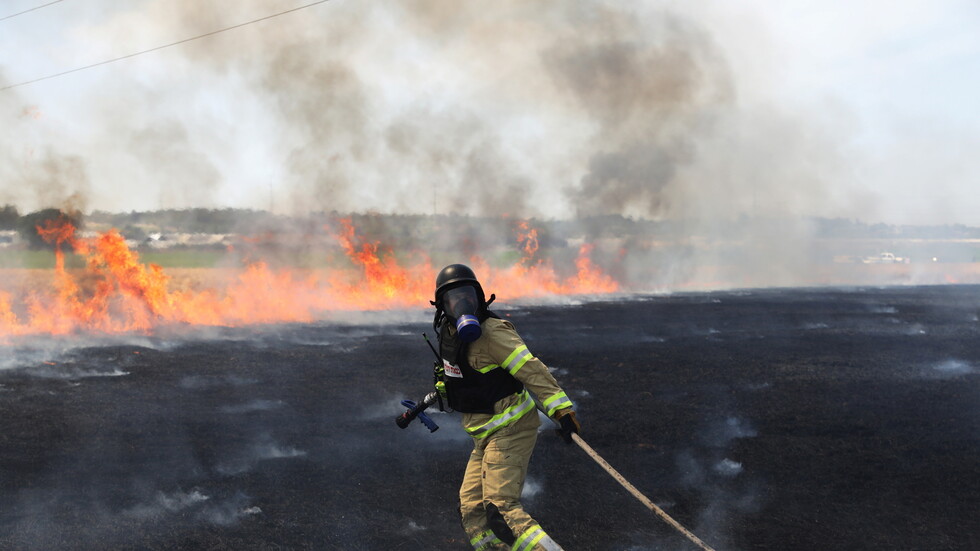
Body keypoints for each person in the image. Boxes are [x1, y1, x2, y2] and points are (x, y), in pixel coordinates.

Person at [430, 264, 581, 551]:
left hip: (511, 428)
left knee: (501, 510)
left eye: (468, 296)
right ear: (442, 306)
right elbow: (459, 378)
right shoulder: (450, 336)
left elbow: (530, 370)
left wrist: (561, 410)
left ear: (480, 296)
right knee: (473, 511)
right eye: (454, 298)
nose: (463, 304)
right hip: (483, 436)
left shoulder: (492, 333)